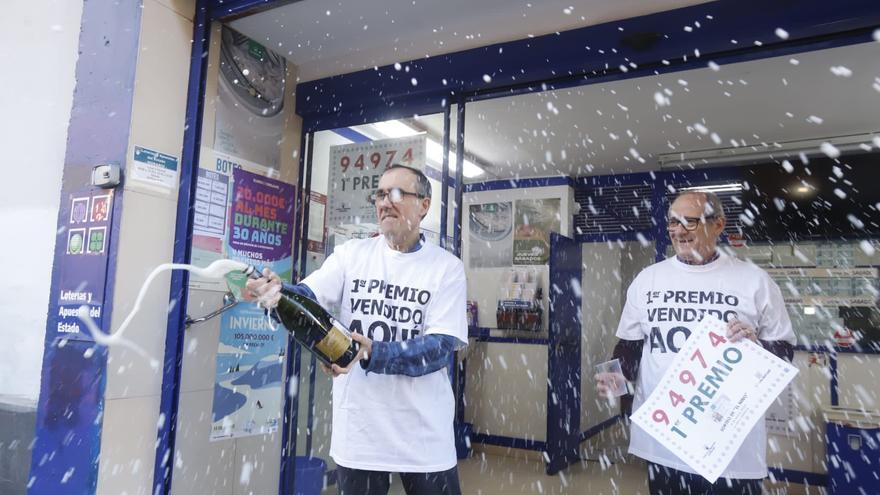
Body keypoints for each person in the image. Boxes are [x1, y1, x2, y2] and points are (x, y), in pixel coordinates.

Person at [245, 164, 467, 495]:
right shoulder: (351, 255)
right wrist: (277, 295)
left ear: (424, 205)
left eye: (396, 194)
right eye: (379, 194)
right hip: (360, 435)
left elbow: (438, 350)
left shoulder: (446, 268)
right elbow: (306, 299)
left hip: (424, 437)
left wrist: (372, 353)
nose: (384, 202)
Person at [597, 191, 796, 495]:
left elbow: (782, 352)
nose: (678, 231)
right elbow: (629, 347)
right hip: (665, 440)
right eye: (672, 223)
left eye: (689, 222)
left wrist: (757, 348)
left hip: (729, 442)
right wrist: (617, 377)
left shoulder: (754, 281)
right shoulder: (648, 280)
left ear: (718, 225)